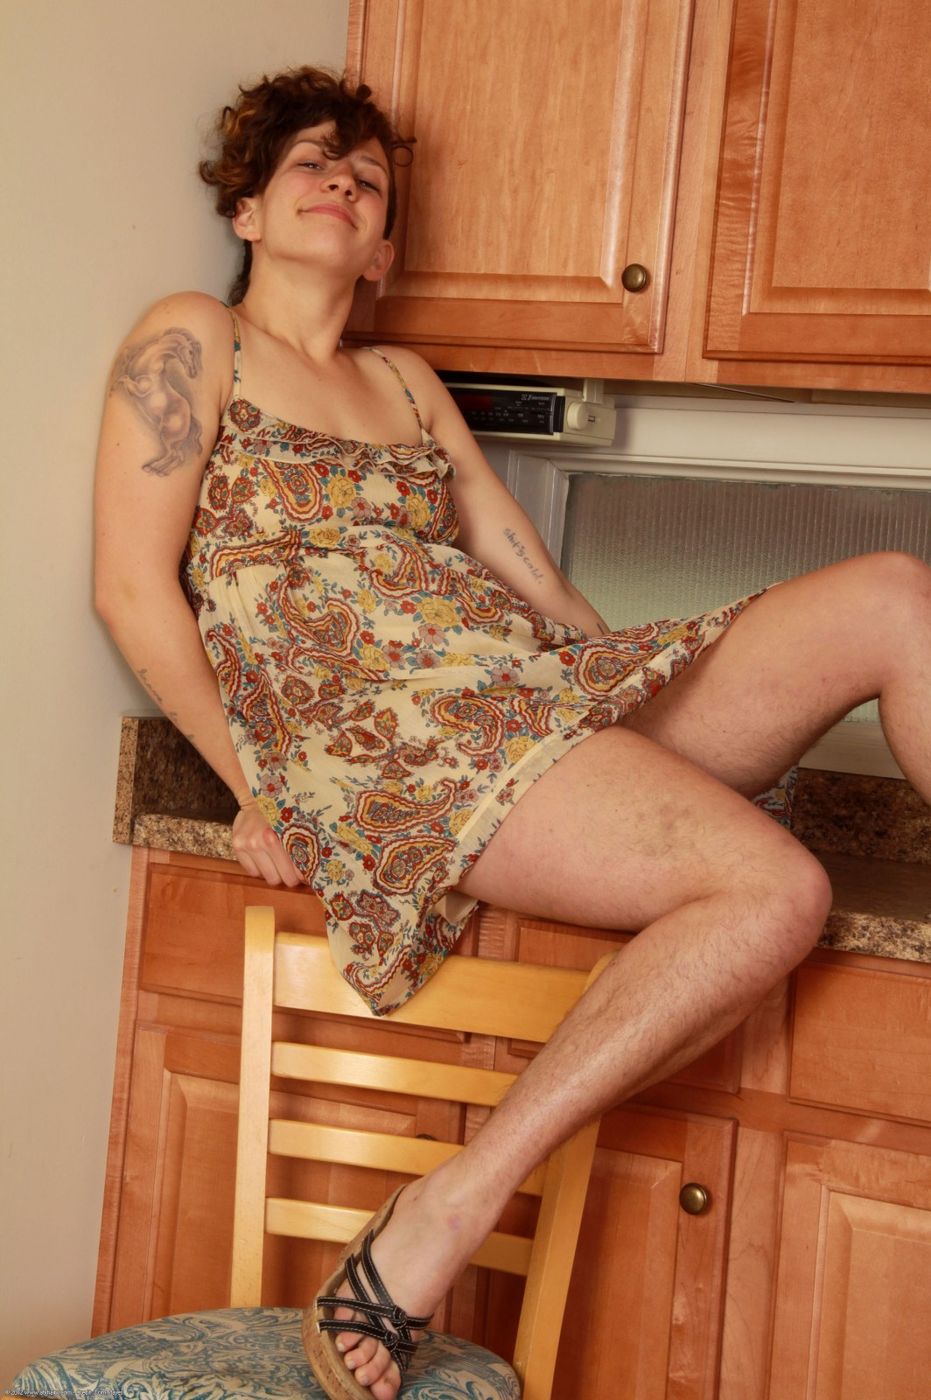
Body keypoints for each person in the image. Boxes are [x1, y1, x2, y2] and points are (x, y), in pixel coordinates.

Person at [94, 65, 931, 1400]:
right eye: (313, 161)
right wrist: (260, 787)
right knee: (775, 889)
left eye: (369, 179)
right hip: (387, 742)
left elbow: (523, 571)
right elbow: (133, 590)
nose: (344, 182)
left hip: (517, 695)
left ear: (384, 247)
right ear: (248, 211)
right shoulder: (196, 339)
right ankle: (448, 1207)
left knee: (894, 593)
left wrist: (619, 687)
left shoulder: (406, 379)